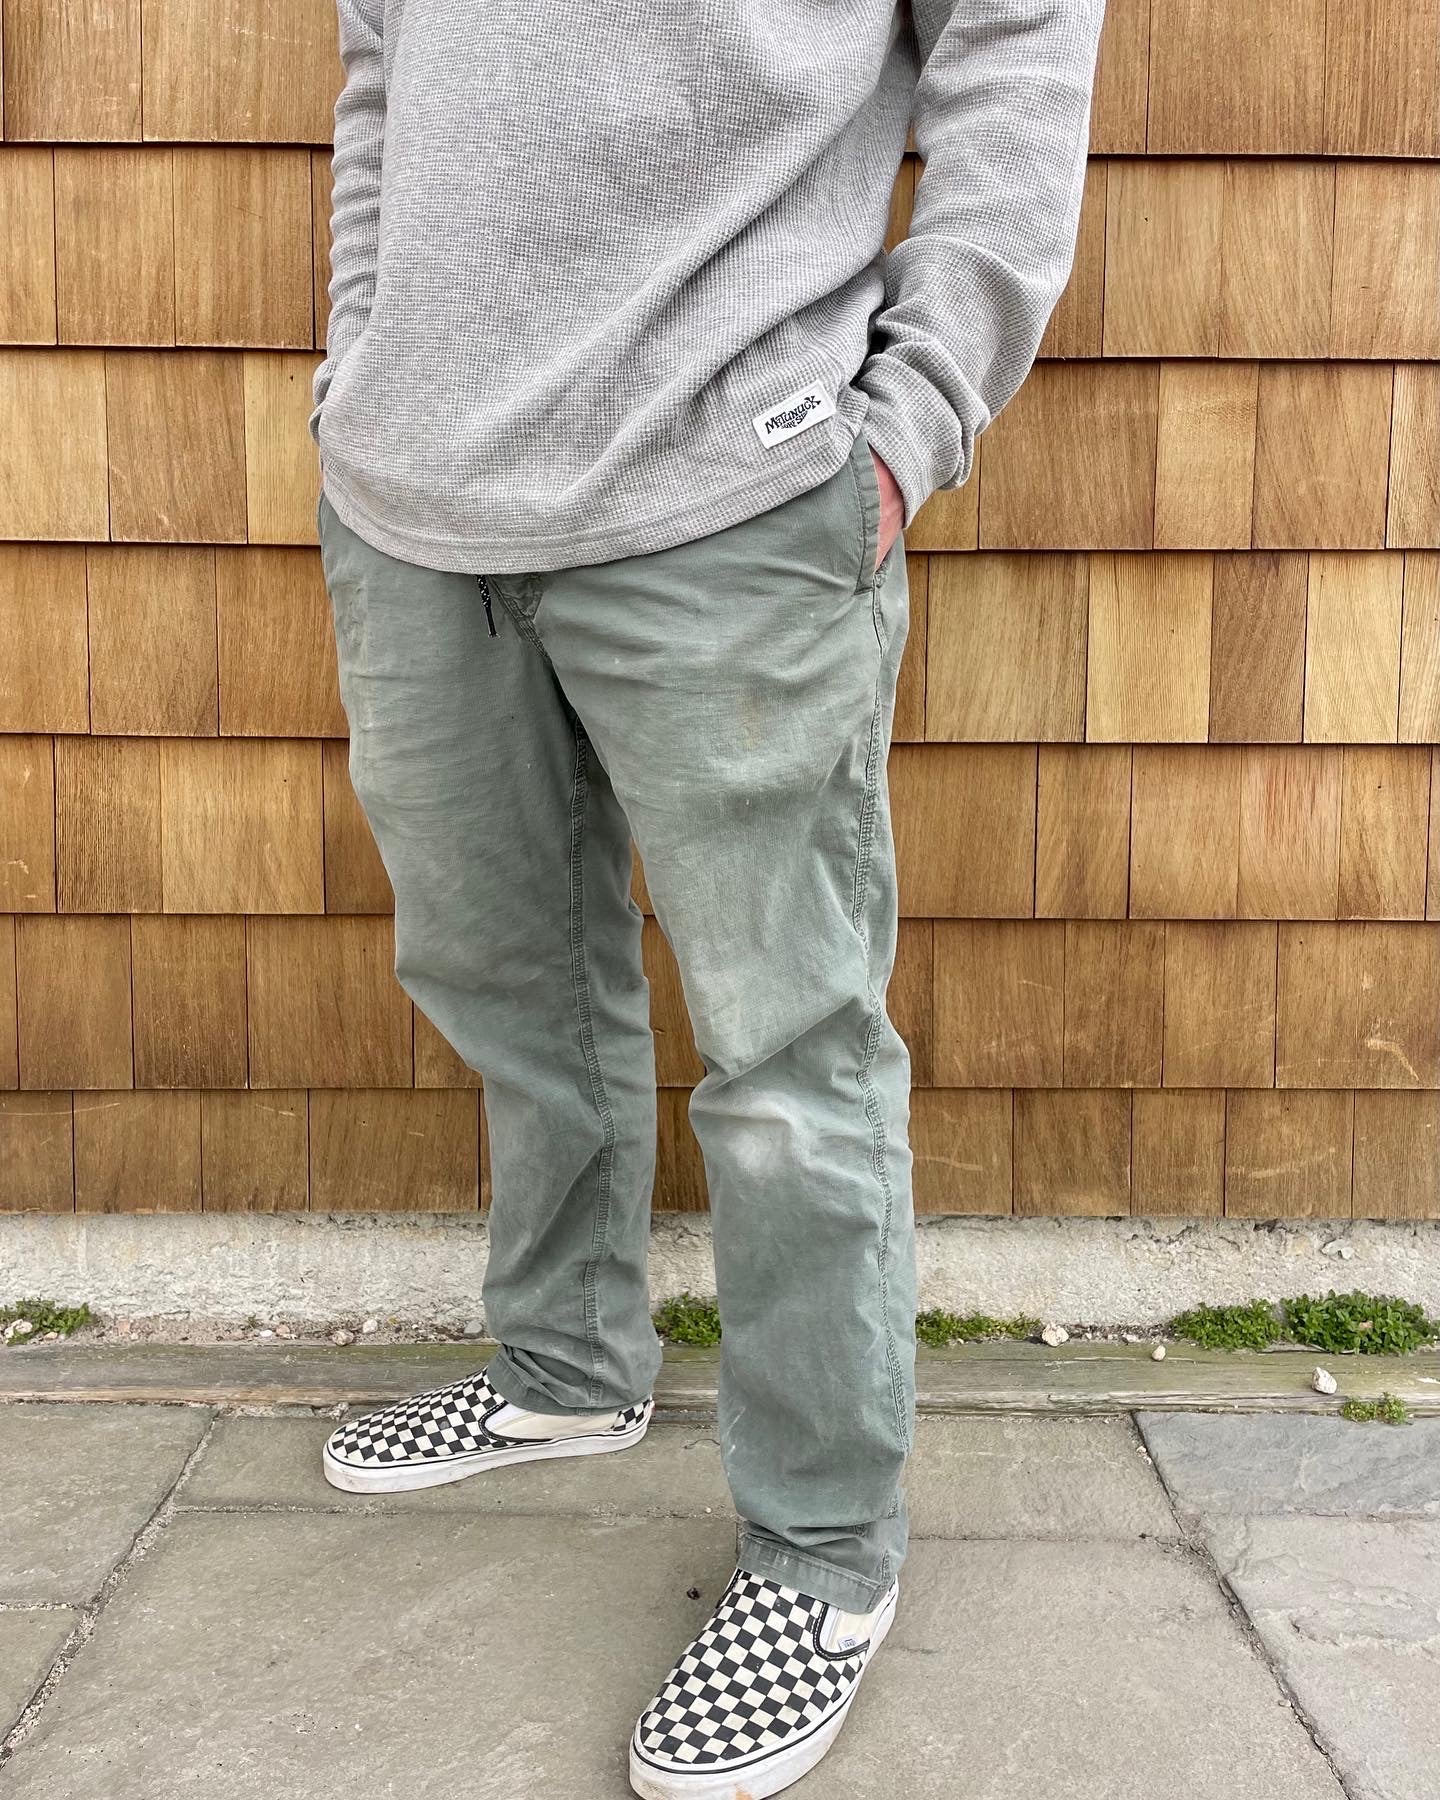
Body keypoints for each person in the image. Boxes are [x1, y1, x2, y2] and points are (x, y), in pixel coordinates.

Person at [311, 2, 1105, 1792]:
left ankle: (822, 1548)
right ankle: (567, 1368)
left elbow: (1019, 42)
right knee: (502, 973)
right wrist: (357, 372)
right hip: (412, 503)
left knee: (788, 1054)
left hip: (734, 491)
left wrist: (911, 417)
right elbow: (382, 69)